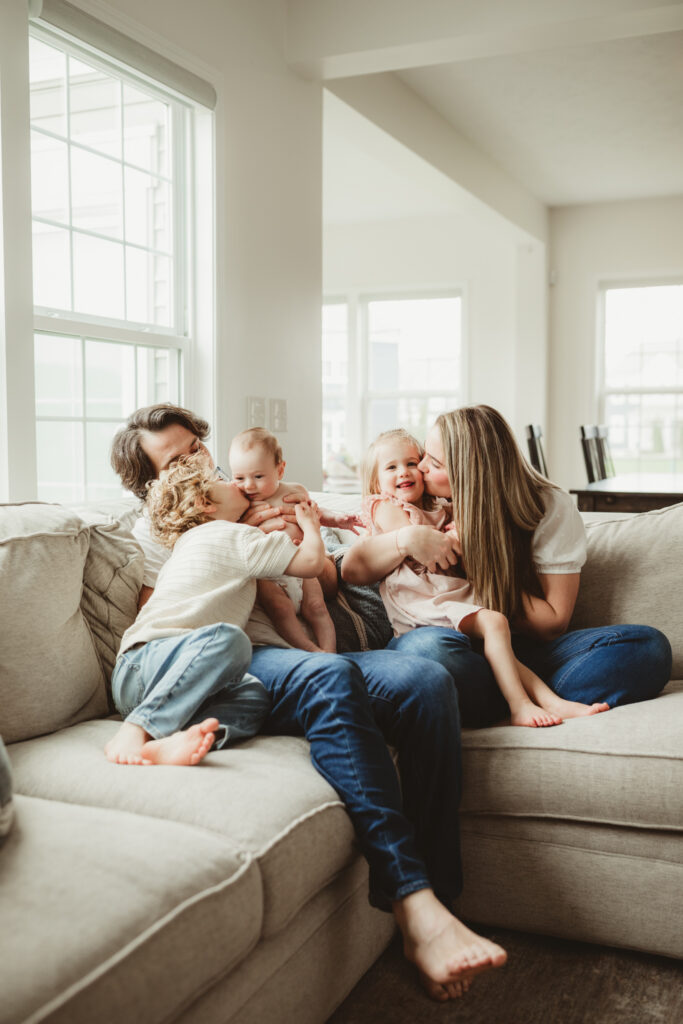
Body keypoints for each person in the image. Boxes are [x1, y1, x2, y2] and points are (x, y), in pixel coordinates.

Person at [109, 403, 508, 1003]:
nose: (199, 462)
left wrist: (293, 527)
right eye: (178, 459)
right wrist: (243, 538)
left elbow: (327, 578)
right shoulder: (163, 529)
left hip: (299, 645)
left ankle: (442, 898)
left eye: (198, 447)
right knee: (328, 676)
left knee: (425, 681)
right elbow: (165, 624)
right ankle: (414, 902)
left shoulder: (252, 492)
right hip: (242, 655)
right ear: (154, 484)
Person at [342, 405, 672, 727]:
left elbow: (552, 623)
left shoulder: (546, 506)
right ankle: (519, 696)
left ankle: (502, 695)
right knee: (428, 651)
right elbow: (353, 569)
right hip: (448, 641)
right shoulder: (416, 506)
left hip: (521, 648)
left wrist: (477, 562)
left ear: (468, 473)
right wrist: (406, 539)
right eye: (424, 456)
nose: (421, 468)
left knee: (647, 648)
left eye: (434, 462)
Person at [105, 454, 325, 767]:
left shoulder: (185, 546)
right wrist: (311, 526)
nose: (234, 481)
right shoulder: (235, 535)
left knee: (252, 694)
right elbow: (312, 563)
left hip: (135, 682)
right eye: (221, 480)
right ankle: (136, 729)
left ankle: (172, 739)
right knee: (229, 639)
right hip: (152, 660)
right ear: (205, 502)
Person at [228, 427, 336, 654]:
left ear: (280, 469)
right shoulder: (238, 502)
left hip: (302, 563)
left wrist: (337, 519)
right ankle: (310, 650)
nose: (248, 485)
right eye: (239, 478)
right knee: (280, 608)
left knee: (317, 607)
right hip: (269, 573)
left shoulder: (295, 491)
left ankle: (330, 652)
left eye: (258, 476)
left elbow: (315, 512)